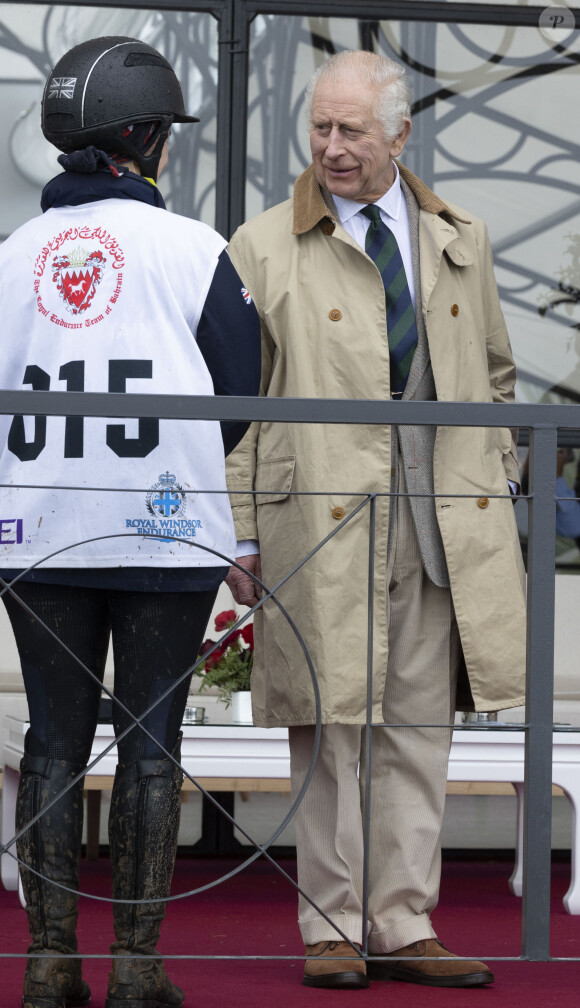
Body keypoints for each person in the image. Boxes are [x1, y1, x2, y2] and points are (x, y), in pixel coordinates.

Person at [225, 49, 526, 990]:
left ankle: (403, 922)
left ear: (400, 133)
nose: (332, 146)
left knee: (416, 728)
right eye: (320, 126)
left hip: (441, 517)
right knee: (327, 724)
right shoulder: (260, 243)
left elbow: (497, 377)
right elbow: (233, 404)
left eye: (353, 129)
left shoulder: (460, 236)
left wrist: (497, 476)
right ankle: (330, 924)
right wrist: (240, 530)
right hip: (316, 507)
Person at [0, 36, 260, 1008]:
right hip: (162, 528)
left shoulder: (12, 256)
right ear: (147, 136)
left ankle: (48, 962)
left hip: (38, 532)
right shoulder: (194, 250)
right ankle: (139, 969)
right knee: (154, 738)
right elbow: (242, 395)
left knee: (55, 743)